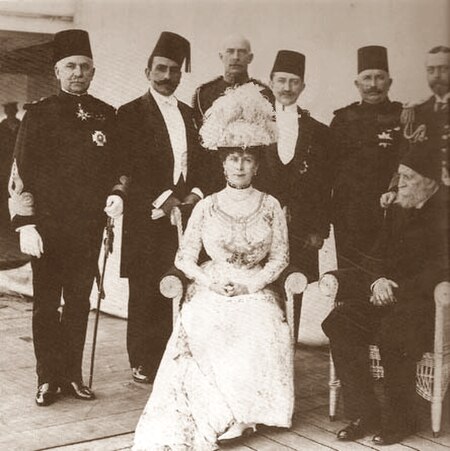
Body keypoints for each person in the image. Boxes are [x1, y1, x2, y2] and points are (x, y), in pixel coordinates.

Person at [132, 83, 294, 450]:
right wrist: (209, 282)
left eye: (247, 160)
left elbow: (281, 258)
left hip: (254, 285)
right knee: (205, 323)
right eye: (232, 159)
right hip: (213, 282)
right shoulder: (206, 207)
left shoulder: (270, 205)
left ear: (256, 165)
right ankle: (215, 410)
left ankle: (243, 413)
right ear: (222, 164)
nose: (239, 166)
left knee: (262, 322)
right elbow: (185, 257)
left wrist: (251, 287)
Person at [8, 29, 126, 406]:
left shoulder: (107, 116)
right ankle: (47, 378)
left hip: (87, 227)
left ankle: (72, 376)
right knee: (46, 304)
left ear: (93, 72)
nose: (77, 72)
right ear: (57, 71)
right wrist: (25, 224)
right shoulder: (38, 114)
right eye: (70, 66)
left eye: (84, 67)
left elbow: (120, 167)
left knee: (78, 302)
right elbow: (20, 172)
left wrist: (117, 193)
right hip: (46, 229)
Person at [322, 139, 448, 445]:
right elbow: (376, 253)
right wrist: (377, 280)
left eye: (408, 178)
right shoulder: (399, 207)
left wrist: (397, 290)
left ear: (429, 182)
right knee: (340, 321)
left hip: (430, 304)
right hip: (386, 295)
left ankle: (402, 419)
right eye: (400, 175)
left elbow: (442, 266)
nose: (399, 184)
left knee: (394, 332)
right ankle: (365, 413)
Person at [117, 32, 203, 385]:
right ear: (147, 71)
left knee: (179, 283)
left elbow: (203, 162)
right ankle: (143, 359)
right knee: (145, 289)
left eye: (174, 71)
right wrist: (164, 200)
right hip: (147, 214)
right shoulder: (129, 113)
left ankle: (173, 354)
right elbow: (127, 165)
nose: (168, 77)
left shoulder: (190, 115)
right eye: (161, 69)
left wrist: (195, 195)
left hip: (186, 214)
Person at [257, 50, 332, 337]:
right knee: (261, 289)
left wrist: (318, 229)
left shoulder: (318, 132)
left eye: (294, 82)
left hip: (302, 229)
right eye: (281, 81)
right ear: (271, 82)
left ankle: (288, 352)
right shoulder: (255, 123)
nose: (287, 88)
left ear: (303, 86)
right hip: (260, 223)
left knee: (295, 286)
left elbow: (324, 184)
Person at [331, 46, 403, 270]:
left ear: (389, 82)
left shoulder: (403, 116)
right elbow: (328, 169)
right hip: (350, 215)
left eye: (379, 78)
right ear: (357, 84)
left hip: (390, 213)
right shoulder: (342, 120)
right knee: (351, 280)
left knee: (389, 277)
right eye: (367, 78)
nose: (373, 85)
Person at [193, 33, 273, 195]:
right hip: (214, 181)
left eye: (241, 52)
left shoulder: (265, 93)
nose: (236, 57)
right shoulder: (204, 93)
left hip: (255, 182)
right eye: (230, 51)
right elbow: (199, 145)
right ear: (221, 56)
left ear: (250, 58)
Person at [381, 46, 450, 208]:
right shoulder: (417, 112)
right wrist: (394, 190)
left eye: (444, 69)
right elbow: (404, 156)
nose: (437, 76)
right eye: (431, 70)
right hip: (429, 206)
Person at [0, 102, 20, 224]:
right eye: (9, 111)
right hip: (3, 162)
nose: (11, 113)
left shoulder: (21, 125)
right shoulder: (1, 127)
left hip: (17, 162)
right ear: (6, 112)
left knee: (16, 187)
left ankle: (17, 216)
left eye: (13, 110)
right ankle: (3, 217)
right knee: (3, 188)